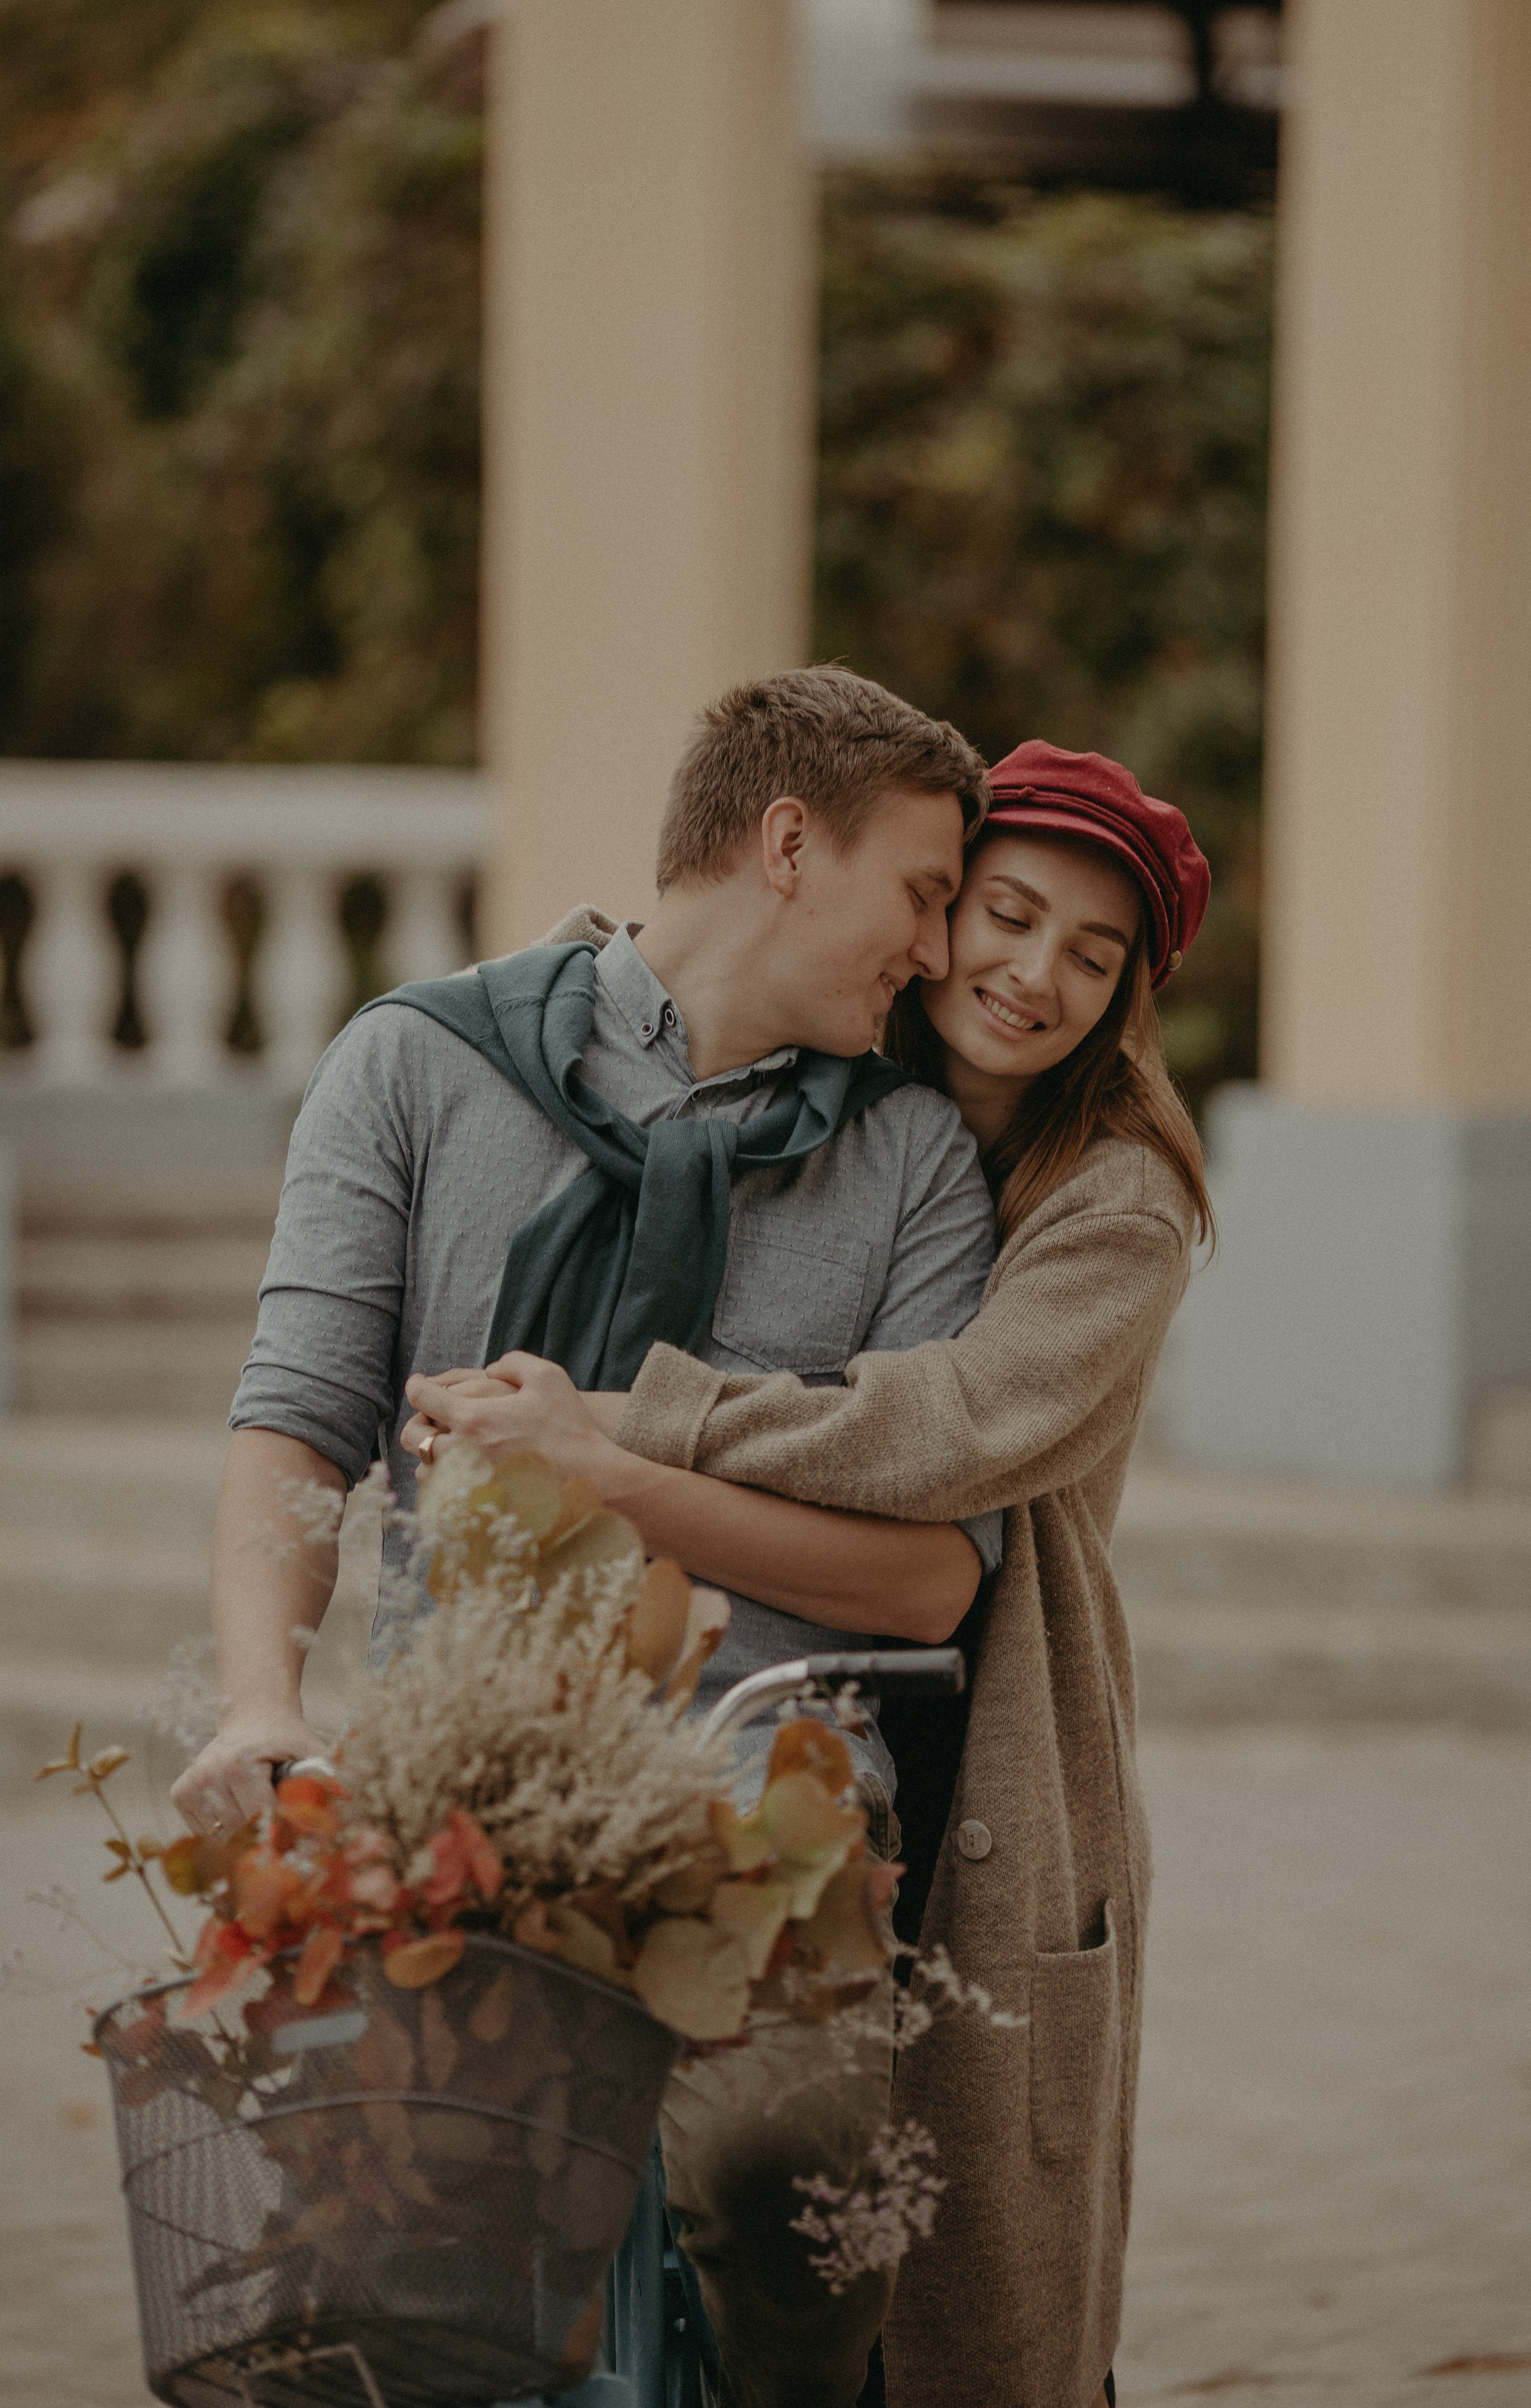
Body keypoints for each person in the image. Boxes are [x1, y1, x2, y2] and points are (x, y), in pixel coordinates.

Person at [172, 665, 1007, 2408]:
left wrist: (618, 1468)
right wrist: (262, 1704)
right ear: (789, 843)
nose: (935, 954)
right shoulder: (414, 1064)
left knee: (795, 2182)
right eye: (923, 891)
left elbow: (936, 1573)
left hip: (767, 1812)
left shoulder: (916, 1158)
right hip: (456, 1805)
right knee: (371, 2297)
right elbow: (302, 1430)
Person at [401, 741, 1213, 2408]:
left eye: (1093, 954)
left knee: (950, 2280)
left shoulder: (1116, 1194)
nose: (1029, 973)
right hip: (776, 1702)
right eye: (1003, 913)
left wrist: (643, 1426)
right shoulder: (831, 1087)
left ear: (1133, 994)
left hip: (985, 1731)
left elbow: (955, 1429)